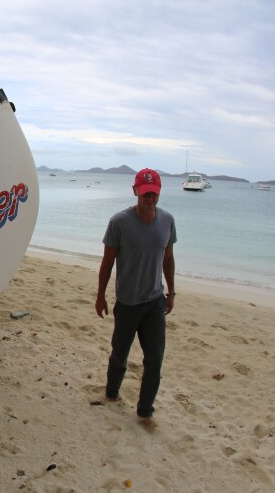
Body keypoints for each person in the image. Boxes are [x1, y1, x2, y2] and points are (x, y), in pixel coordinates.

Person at [95, 168, 176, 421]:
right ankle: (112, 392)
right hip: (127, 303)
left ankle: (145, 411)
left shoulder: (167, 221)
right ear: (135, 192)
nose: (149, 198)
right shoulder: (119, 222)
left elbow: (169, 259)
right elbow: (107, 262)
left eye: (153, 194)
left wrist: (171, 292)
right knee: (120, 353)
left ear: (159, 193)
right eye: (144, 193)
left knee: (154, 359)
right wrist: (100, 295)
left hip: (154, 302)